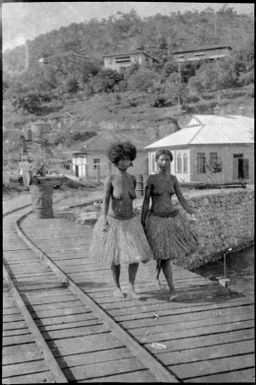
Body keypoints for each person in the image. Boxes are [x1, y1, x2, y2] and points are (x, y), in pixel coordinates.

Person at [89, 141, 153, 299]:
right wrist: (103, 219)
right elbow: (105, 200)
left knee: (136, 255)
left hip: (130, 221)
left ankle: (131, 287)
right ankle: (117, 287)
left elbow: (134, 199)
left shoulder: (132, 178)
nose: (125, 162)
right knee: (115, 256)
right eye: (122, 159)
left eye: (127, 159)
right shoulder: (110, 178)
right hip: (114, 221)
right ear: (115, 160)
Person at [141, 149, 198, 301]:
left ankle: (163, 282)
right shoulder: (151, 179)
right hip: (156, 220)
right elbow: (146, 201)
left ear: (170, 161)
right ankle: (172, 289)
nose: (164, 163)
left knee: (165, 254)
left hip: (172, 219)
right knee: (162, 254)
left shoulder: (173, 179)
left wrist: (192, 211)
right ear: (156, 161)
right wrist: (142, 221)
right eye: (161, 160)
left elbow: (181, 198)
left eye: (167, 160)